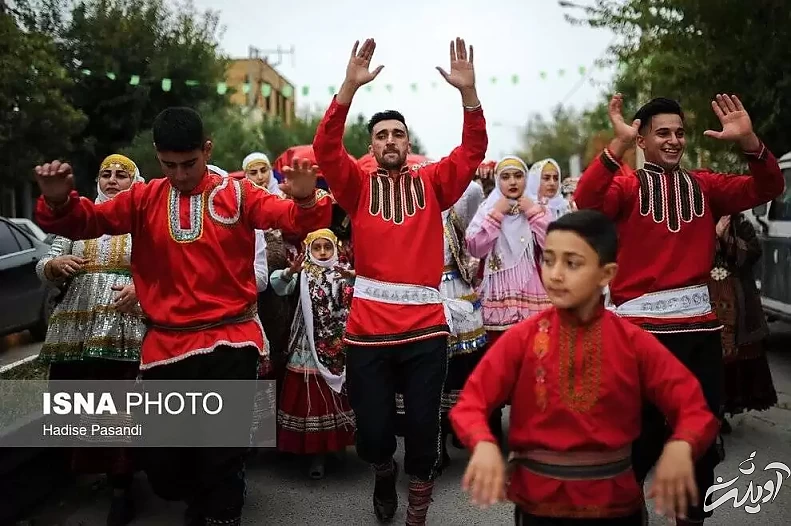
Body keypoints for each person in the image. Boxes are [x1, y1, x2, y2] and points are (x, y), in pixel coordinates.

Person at [33, 106, 333, 526]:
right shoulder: (144, 198)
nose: (179, 174)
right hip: (166, 346)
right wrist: (58, 200)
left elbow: (288, 218)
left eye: (189, 163)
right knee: (164, 466)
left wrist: (303, 197)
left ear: (206, 150)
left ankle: (221, 509)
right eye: (168, 165)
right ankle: (204, 496)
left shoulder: (238, 192)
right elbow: (89, 221)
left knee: (220, 452)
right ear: (158, 157)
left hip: (231, 339)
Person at [574, 93, 784, 525]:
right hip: (641, 338)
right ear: (643, 140)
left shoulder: (705, 186)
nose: (673, 141)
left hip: (700, 333)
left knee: (700, 440)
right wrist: (615, 148)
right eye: (662, 133)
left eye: (679, 133)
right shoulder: (627, 186)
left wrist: (749, 142)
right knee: (639, 440)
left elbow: (768, 187)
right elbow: (587, 199)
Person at [312, 37, 487, 525]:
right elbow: (326, 147)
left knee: (425, 431)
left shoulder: (433, 183)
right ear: (371, 146)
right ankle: (382, 471)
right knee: (372, 433)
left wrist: (468, 96)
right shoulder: (355, 184)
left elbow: (474, 148)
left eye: (398, 134)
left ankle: (417, 512)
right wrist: (349, 86)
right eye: (382, 135)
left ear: (408, 143)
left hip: (426, 328)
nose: (391, 140)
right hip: (368, 330)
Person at [450, 210, 720, 526]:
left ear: (606, 274)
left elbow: (693, 405)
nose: (555, 274)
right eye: (548, 260)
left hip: (615, 506)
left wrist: (682, 445)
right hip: (539, 506)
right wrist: (482, 442)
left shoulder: (632, 342)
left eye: (572, 263)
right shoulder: (522, 338)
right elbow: (470, 403)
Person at [36, 154, 146, 526]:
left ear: (135, 181)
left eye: (121, 174)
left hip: (126, 328)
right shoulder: (78, 215)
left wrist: (142, 288)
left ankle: (121, 486)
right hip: (76, 329)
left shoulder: (142, 218)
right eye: (106, 174)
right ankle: (84, 472)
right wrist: (53, 266)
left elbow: (164, 267)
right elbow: (45, 262)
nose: (113, 180)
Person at [270, 228, 356, 479]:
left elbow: (354, 298)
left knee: (333, 393)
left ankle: (332, 446)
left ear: (335, 249)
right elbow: (279, 287)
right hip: (306, 343)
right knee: (308, 394)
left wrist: (352, 278)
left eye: (326, 247)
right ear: (309, 249)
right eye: (316, 247)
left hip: (336, 344)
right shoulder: (304, 272)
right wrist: (290, 272)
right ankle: (312, 451)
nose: (321, 252)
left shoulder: (343, 270)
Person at [709, 214, 777, 430]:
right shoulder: (697, 221)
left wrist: (728, 239)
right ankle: (711, 412)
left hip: (739, 303)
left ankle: (723, 410)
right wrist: (714, 236)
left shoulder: (742, 225)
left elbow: (753, 252)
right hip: (707, 299)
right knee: (710, 359)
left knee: (735, 359)